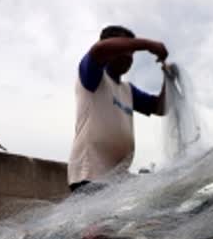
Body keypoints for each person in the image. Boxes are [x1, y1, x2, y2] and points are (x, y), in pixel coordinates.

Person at [68, 25, 169, 193]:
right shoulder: (93, 75)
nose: (129, 57)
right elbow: (99, 50)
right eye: (125, 48)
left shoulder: (127, 90)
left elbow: (161, 108)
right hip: (90, 174)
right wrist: (148, 45)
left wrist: (168, 78)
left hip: (117, 179)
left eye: (132, 53)